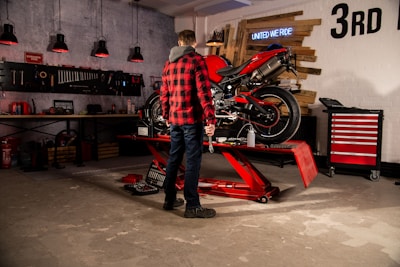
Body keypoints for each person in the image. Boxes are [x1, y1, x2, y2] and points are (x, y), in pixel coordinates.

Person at [160, 29, 216, 218]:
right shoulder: (196, 60)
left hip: (175, 120)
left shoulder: (169, 64)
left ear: (179, 42)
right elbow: (204, 94)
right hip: (192, 120)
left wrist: (167, 116)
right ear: (194, 43)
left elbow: (164, 94)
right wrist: (211, 119)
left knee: (173, 159)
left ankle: (169, 200)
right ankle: (192, 205)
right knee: (193, 162)